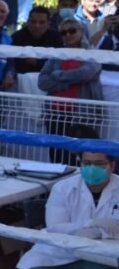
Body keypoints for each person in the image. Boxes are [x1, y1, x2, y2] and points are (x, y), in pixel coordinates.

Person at [16, 142, 119, 269]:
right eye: (87, 163)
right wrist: (91, 224)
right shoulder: (63, 188)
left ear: (112, 166)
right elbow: (55, 228)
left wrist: (97, 232)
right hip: (57, 252)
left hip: (97, 257)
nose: (92, 168)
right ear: (80, 164)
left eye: (99, 164)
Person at [39, 17, 103, 165]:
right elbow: (42, 82)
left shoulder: (92, 53)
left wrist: (58, 75)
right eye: (63, 32)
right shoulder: (57, 54)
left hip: (83, 114)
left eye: (72, 31)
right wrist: (69, 81)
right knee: (57, 155)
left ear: (81, 31)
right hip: (55, 114)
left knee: (82, 156)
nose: (68, 35)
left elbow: (87, 73)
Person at [11, 5, 62, 74]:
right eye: (33, 22)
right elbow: (11, 63)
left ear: (48, 24)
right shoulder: (16, 37)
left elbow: (59, 62)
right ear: (28, 22)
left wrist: (37, 62)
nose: (37, 26)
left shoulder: (56, 37)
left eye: (41, 22)